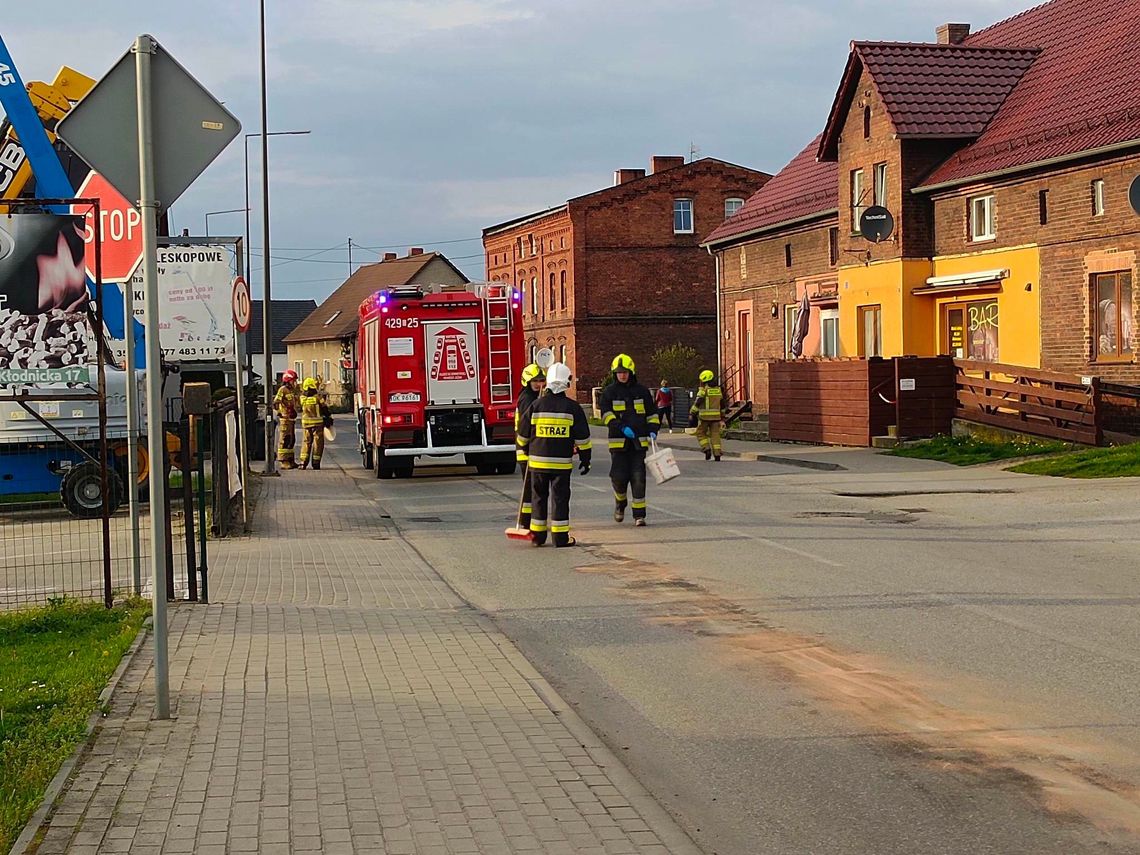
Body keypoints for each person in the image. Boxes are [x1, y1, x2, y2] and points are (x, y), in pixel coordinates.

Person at [516, 362, 591, 547]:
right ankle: (560, 538)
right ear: (567, 382)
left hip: (537, 465)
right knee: (560, 499)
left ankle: (538, 537)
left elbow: (523, 435)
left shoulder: (536, 405)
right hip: (561, 466)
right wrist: (585, 459)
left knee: (538, 499)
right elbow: (583, 438)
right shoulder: (573, 408)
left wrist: (525, 450)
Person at [600, 353, 658, 527]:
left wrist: (653, 430)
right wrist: (621, 427)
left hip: (639, 443)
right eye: (619, 372)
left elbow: (652, 414)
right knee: (618, 478)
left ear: (631, 372)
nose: (622, 375)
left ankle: (639, 515)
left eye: (625, 372)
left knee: (638, 478)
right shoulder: (609, 392)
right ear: (614, 374)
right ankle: (620, 502)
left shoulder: (642, 391)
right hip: (618, 443)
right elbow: (606, 414)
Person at [515, 363, 546, 529]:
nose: (539, 384)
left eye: (541, 380)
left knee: (532, 487)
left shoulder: (535, 397)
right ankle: (525, 522)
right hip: (526, 448)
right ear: (527, 381)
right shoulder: (527, 399)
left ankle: (528, 520)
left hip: (531, 447)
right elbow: (528, 425)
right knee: (529, 488)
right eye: (535, 381)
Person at [691, 369, 726, 461]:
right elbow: (722, 404)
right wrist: (723, 416)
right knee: (715, 435)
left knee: (700, 433)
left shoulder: (703, 390)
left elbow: (698, 402)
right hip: (716, 417)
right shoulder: (719, 390)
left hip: (704, 417)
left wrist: (692, 412)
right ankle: (717, 453)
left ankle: (706, 449)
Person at [298, 377, 332, 470]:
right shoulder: (318, 398)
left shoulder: (302, 398)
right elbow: (325, 409)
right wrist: (328, 417)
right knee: (318, 443)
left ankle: (303, 463)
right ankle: (316, 463)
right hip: (317, 424)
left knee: (306, 442)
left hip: (306, 424)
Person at [272, 370, 300, 469]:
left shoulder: (291, 391)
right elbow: (276, 402)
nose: (295, 382)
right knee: (284, 439)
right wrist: (280, 412)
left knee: (291, 440)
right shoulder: (282, 389)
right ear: (288, 380)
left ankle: (290, 460)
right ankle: (283, 461)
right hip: (285, 419)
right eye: (293, 380)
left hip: (291, 419)